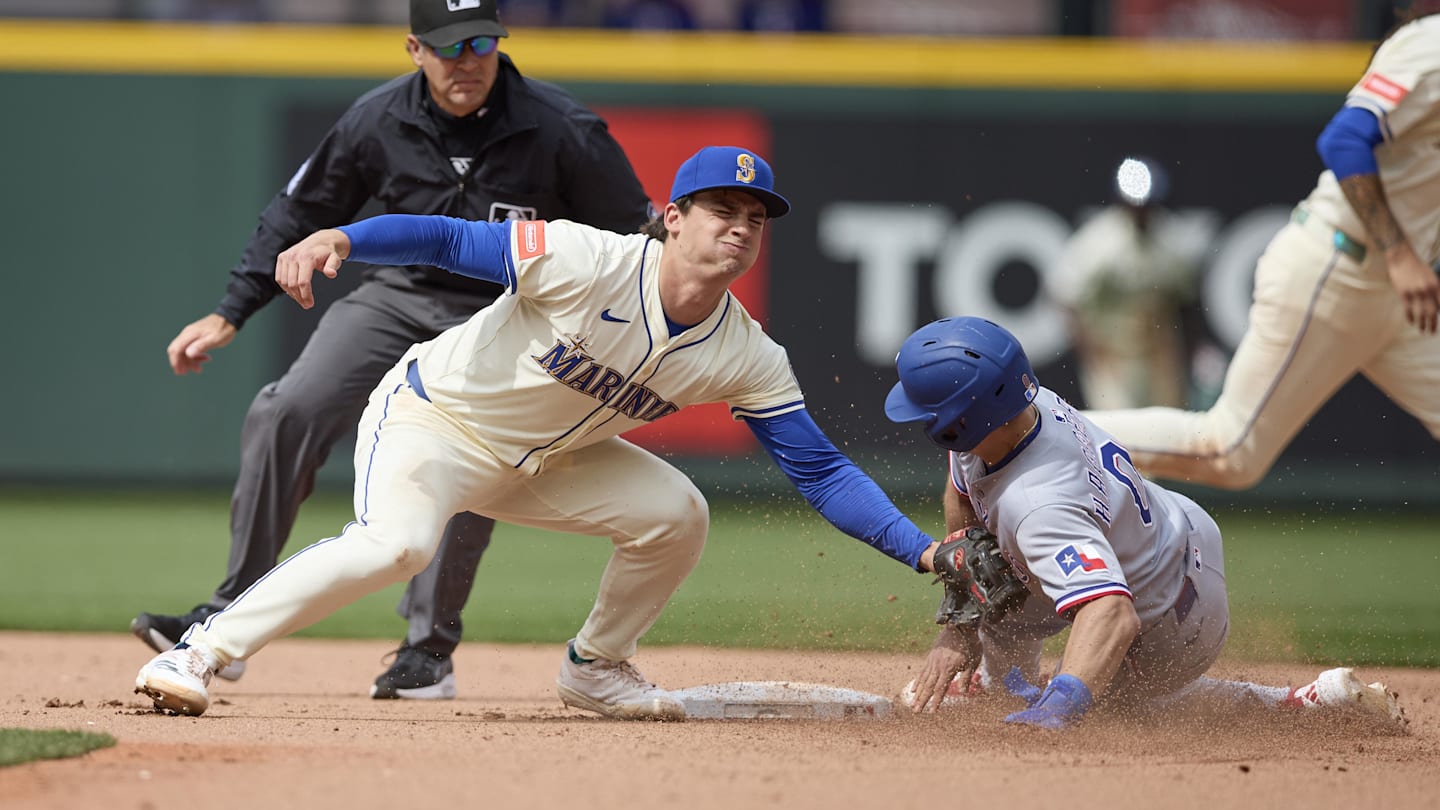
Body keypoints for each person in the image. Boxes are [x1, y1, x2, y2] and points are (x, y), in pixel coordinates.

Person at [133, 145, 945, 720]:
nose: (740, 227)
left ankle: (597, 668)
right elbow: (450, 238)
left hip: (546, 459)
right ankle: (198, 651)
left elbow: (821, 471)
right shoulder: (588, 259)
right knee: (399, 546)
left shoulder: (747, 353)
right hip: (434, 421)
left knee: (678, 514)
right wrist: (343, 236)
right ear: (673, 218)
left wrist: (924, 552)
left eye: (755, 219)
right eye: (722, 210)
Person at [128, 0, 654, 701]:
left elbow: (634, 241)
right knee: (286, 409)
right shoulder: (378, 118)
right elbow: (298, 214)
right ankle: (228, 619)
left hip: (507, 311)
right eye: (448, 47)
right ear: (415, 49)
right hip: (400, 296)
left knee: (474, 450)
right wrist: (232, 311)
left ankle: (427, 651)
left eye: (479, 44)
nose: (466, 60)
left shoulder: (562, 127)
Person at [886, 316, 1403, 728]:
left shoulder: (1038, 506)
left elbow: (1112, 614)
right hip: (1167, 536)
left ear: (964, 420)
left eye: (931, 412)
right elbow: (963, 498)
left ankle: (1302, 704)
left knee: (1108, 713)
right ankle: (996, 683)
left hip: (1174, 616)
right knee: (994, 578)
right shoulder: (1013, 410)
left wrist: (1058, 709)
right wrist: (962, 624)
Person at [1083, 9, 1440, 489]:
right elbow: (1345, 139)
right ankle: (1034, 428)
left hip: (1400, 295)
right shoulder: (1432, 45)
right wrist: (1399, 253)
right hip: (1339, 264)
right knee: (1230, 451)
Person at [1048, 156, 1197, 410]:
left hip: (1160, 352)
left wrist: (1187, 351)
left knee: (1166, 419)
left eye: (1147, 204)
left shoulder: (1172, 240)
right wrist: (1090, 352)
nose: (1141, 210)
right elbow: (1066, 297)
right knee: (1118, 421)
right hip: (1112, 352)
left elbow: (1187, 301)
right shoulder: (1099, 243)